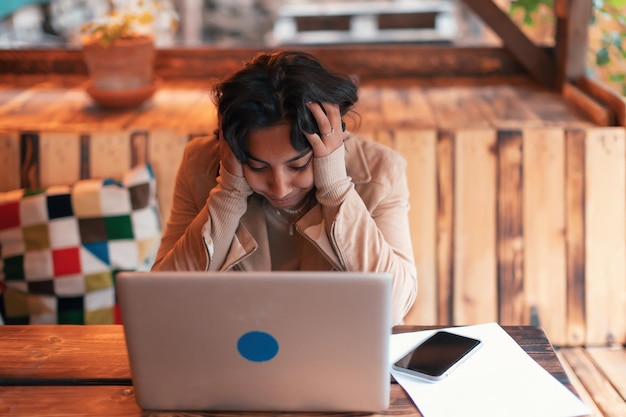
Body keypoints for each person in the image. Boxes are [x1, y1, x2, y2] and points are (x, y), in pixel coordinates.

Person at [151, 50, 417, 325]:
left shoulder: (381, 171)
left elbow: (394, 305)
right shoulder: (200, 165)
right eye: (258, 166)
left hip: (333, 352)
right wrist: (229, 192)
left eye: (297, 166)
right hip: (235, 349)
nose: (279, 188)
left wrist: (336, 189)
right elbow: (161, 299)